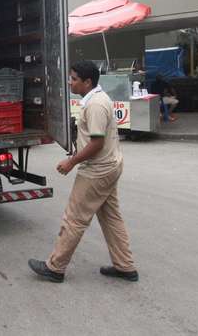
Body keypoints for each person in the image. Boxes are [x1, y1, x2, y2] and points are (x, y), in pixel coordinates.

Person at [28, 60, 138, 283]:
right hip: (109, 166)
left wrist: (71, 162)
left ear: (87, 82)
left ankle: (55, 267)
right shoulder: (97, 98)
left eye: (74, 79)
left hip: (97, 170)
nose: (70, 82)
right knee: (110, 217)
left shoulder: (95, 105)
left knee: (74, 218)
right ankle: (125, 266)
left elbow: (96, 143)